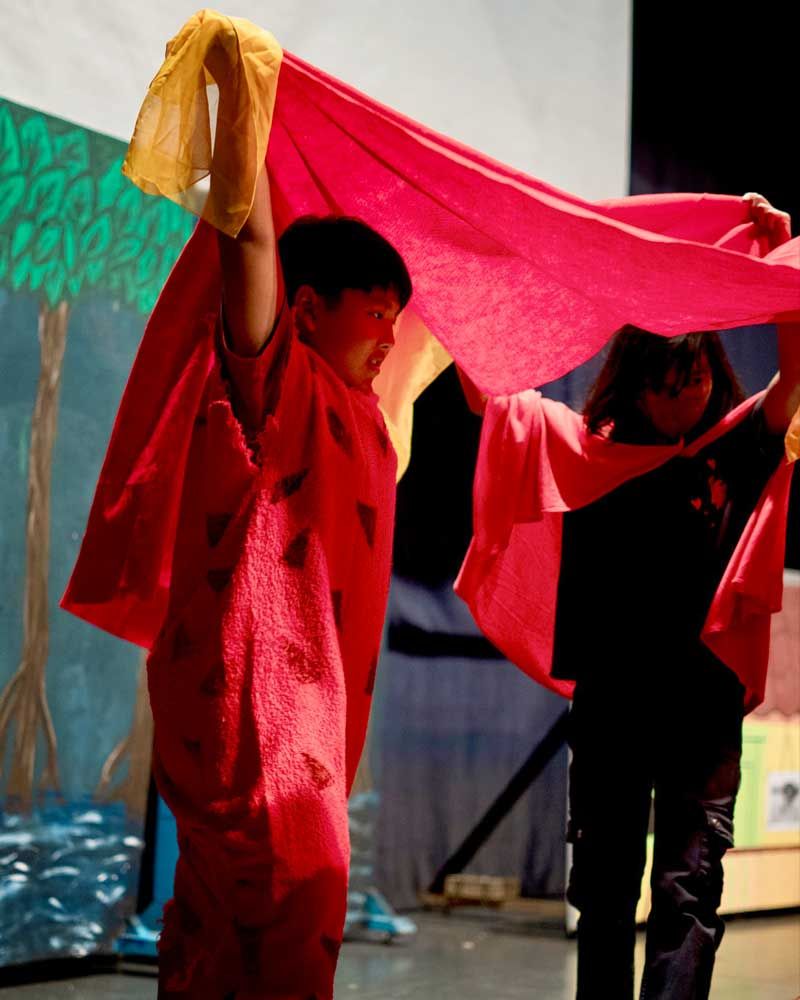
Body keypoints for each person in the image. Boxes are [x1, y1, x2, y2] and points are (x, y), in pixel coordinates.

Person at [457, 194, 799, 1000]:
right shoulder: (582, 452)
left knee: (689, 890)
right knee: (605, 894)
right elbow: (488, 398)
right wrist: (468, 271)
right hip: (613, 706)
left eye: (696, 379)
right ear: (636, 384)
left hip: (702, 709)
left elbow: (797, 375)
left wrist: (786, 261)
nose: (684, 398)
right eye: (668, 384)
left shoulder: (736, 446)